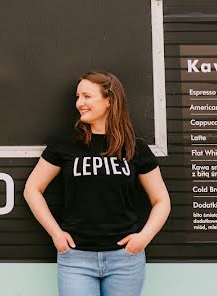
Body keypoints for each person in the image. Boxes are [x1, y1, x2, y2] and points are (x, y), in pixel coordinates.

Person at [24, 71, 170, 296]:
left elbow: (161, 200)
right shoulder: (65, 144)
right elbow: (32, 189)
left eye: (87, 96)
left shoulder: (135, 148)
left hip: (125, 260)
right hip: (76, 258)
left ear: (109, 100)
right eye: (77, 97)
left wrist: (143, 238)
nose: (79, 103)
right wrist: (56, 234)